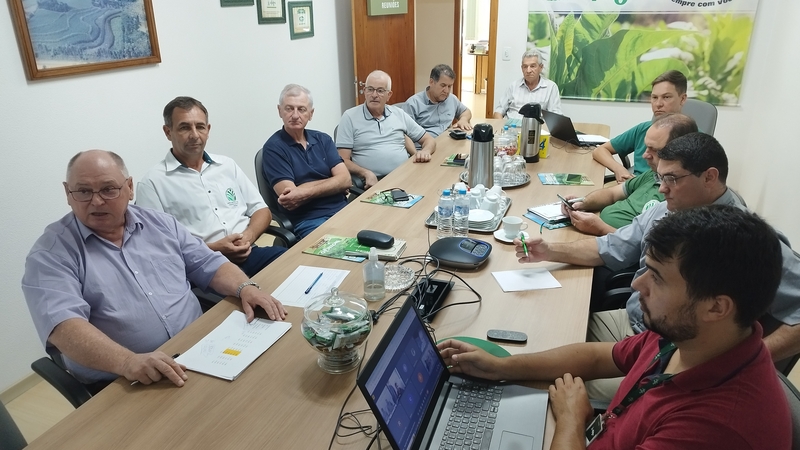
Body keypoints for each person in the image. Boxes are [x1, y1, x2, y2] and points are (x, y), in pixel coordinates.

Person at [439, 205, 791, 449]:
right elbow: (598, 357)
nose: (638, 286)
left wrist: (571, 421)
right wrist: (502, 367)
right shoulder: (689, 336)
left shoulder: (716, 428)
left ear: (716, 306)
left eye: (656, 277)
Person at [517, 133, 800, 399]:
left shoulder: (743, 240)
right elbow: (611, 247)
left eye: (672, 179)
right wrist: (549, 250)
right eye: (659, 178)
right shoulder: (669, 206)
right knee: (544, 339)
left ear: (709, 177)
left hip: (676, 354)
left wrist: (745, 359)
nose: (662, 188)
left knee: (545, 390)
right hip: (638, 328)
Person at [22, 150, 287, 388]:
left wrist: (245, 288)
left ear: (129, 188)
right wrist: (128, 362)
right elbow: (65, 328)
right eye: (83, 191)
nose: (97, 201)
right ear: (68, 194)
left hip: (203, 348)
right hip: (127, 377)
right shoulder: (50, 255)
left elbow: (207, 262)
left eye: (108, 189)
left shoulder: (160, 223)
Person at [136, 96, 286, 277]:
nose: (194, 135)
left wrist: (247, 237)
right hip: (204, 266)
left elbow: (261, 210)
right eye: (184, 127)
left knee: (298, 265)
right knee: (260, 298)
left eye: (200, 126)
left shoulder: (226, 165)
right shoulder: (153, 182)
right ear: (168, 132)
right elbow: (158, 246)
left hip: (250, 252)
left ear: (208, 129)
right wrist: (215, 248)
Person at [563, 113, 698, 236]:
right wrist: (581, 203)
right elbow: (612, 194)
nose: (645, 155)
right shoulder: (653, 175)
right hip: (598, 234)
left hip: (610, 246)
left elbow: (641, 248)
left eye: (654, 149)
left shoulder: (677, 199)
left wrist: (600, 228)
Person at [262, 84, 350, 239]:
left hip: (344, 210)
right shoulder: (273, 148)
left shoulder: (323, 139)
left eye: (301, 109)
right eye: (289, 108)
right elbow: (290, 196)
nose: (295, 115)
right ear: (280, 111)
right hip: (309, 220)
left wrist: (304, 190)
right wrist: (333, 183)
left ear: (311, 113)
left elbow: (346, 180)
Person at [336, 70, 437, 189]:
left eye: (380, 91)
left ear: (389, 95)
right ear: (364, 91)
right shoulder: (350, 117)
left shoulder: (399, 114)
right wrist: (365, 173)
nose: (374, 95)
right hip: (374, 183)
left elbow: (429, 140)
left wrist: (425, 151)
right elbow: (342, 160)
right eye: (370, 89)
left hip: (405, 176)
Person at [592, 70, 687, 183]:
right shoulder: (643, 129)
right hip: (632, 189)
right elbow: (600, 150)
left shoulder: (692, 137)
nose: (658, 104)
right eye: (654, 97)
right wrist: (619, 170)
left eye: (666, 97)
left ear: (682, 99)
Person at [403, 64, 472, 142]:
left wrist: (463, 120)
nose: (446, 91)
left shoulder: (451, 99)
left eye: (449, 86)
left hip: (448, 144)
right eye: (443, 85)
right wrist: (416, 153)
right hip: (425, 148)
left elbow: (466, 111)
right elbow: (404, 135)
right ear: (431, 82)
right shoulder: (413, 104)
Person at [493, 49, 562, 118]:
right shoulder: (513, 86)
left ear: (541, 67)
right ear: (522, 68)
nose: (528, 71)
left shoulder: (551, 87)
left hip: (537, 127)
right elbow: (499, 111)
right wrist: (501, 126)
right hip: (512, 127)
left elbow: (556, 116)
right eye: (525, 66)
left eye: (532, 66)